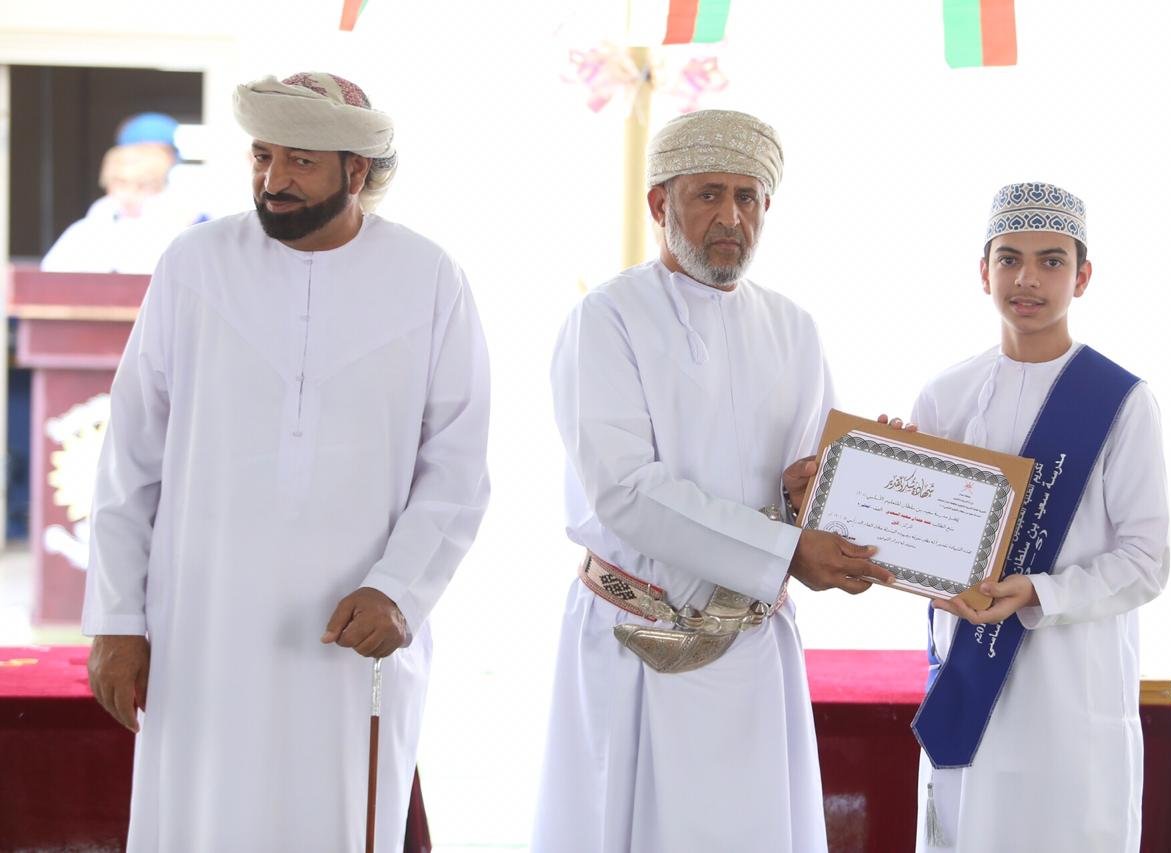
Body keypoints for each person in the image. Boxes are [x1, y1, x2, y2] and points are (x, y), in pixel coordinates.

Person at [82, 72, 491, 853]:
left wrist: (399, 588)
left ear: (356, 171)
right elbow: (130, 452)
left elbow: (458, 459)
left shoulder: (429, 277)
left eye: (301, 161)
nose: (274, 180)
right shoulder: (194, 264)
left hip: (350, 626)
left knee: (333, 817)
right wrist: (116, 619)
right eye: (263, 156)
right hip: (203, 623)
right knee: (204, 817)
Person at [533, 108, 892, 853]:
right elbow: (625, 492)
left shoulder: (794, 328)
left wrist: (861, 487)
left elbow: (806, 487)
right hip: (640, 643)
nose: (731, 217)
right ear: (659, 203)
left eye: (747, 197)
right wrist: (787, 551)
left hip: (757, 655)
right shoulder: (606, 319)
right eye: (708, 195)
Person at [908, 182, 1170, 852]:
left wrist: (1038, 592)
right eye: (1009, 258)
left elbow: (1146, 561)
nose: (1027, 278)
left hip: (1072, 692)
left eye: (1051, 261)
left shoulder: (1122, 402)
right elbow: (918, 540)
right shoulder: (943, 397)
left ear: (1082, 277)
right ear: (983, 271)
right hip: (970, 686)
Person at [39, 139, 189, 274]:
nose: (130, 195)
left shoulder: (174, 233)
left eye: (143, 185)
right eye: (121, 184)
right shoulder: (85, 231)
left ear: (159, 187)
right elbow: (51, 277)